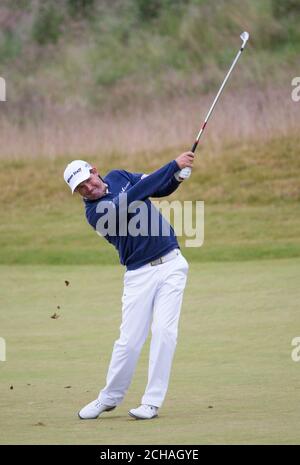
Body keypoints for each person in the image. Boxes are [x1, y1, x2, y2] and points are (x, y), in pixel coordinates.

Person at [63, 152, 194, 420]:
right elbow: (131, 198)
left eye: (87, 181)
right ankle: (109, 398)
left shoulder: (119, 176)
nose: (88, 188)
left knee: (164, 332)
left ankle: (151, 402)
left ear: (95, 170)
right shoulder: (95, 212)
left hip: (172, 264)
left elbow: (156, 187)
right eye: (81, 189)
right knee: (129, 343)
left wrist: (177, 178)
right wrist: (172, 165)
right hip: (138, 276)